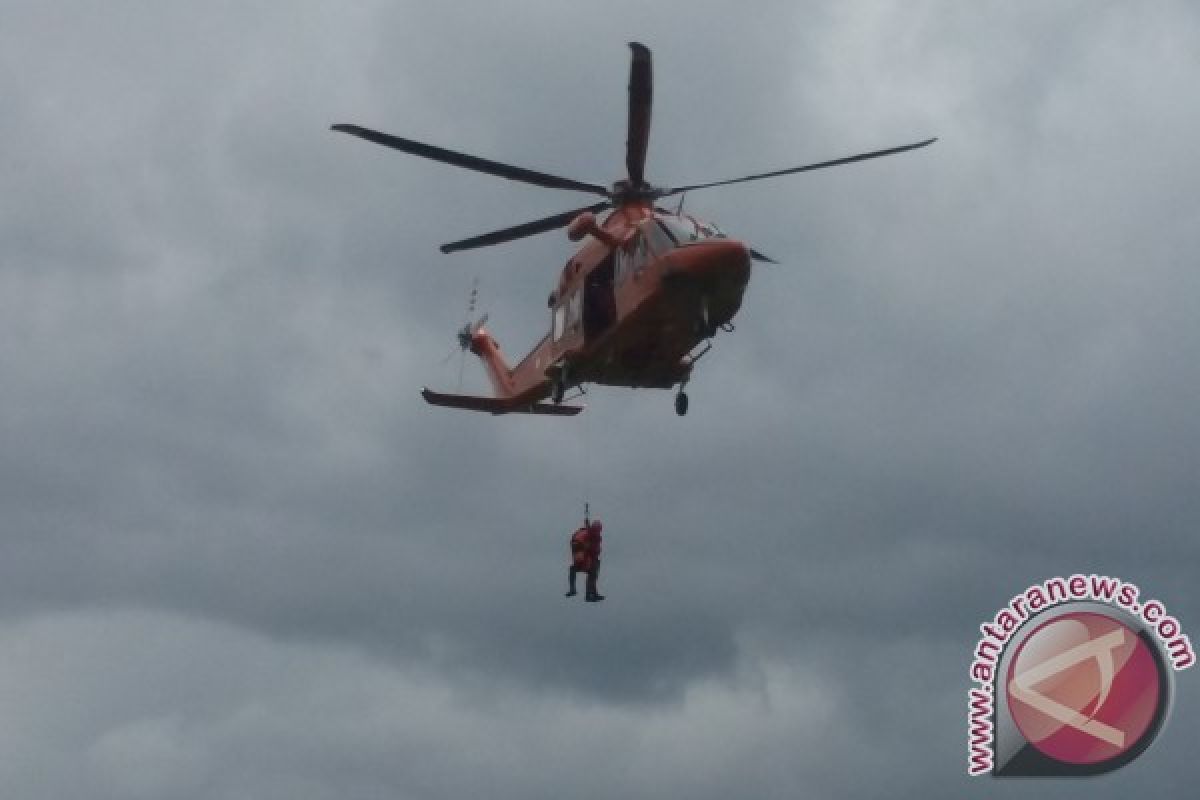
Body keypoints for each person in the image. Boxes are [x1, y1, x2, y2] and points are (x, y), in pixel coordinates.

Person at [565, 519, 604, 602]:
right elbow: (593, 549)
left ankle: (575, 590)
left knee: (574, 569)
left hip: (582, 559)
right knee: (592, 574)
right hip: (586, 559)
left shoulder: (585, 534)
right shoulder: (592, 536)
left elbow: (577, 543)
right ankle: (589, 594)